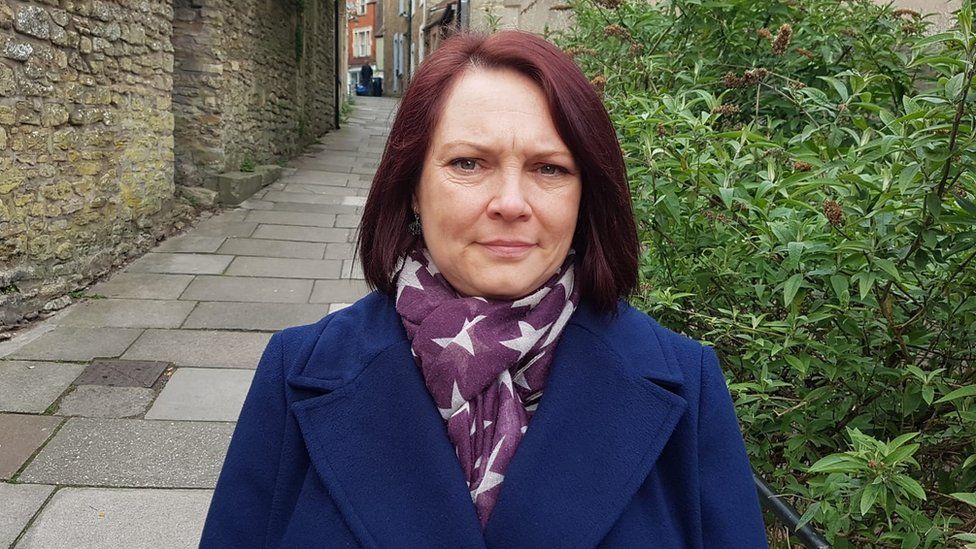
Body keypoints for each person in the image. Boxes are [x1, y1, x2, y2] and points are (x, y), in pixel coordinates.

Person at [200, 31, 767, 548]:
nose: (512, 203)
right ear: (412, 188)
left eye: (550, 169)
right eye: (469, 163)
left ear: (585, 195)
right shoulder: (298, 374)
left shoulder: (683, 383)